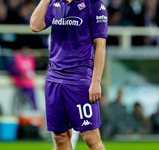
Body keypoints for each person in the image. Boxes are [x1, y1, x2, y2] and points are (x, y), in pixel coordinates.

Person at [30, 0, 108, 149]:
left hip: (80, 80)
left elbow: (100, 45)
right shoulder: (54, 3)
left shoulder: (94, 5)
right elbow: (35, 26)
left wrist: (96, 82)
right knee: (60, 138)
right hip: (54, 80)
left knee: (91, 137)